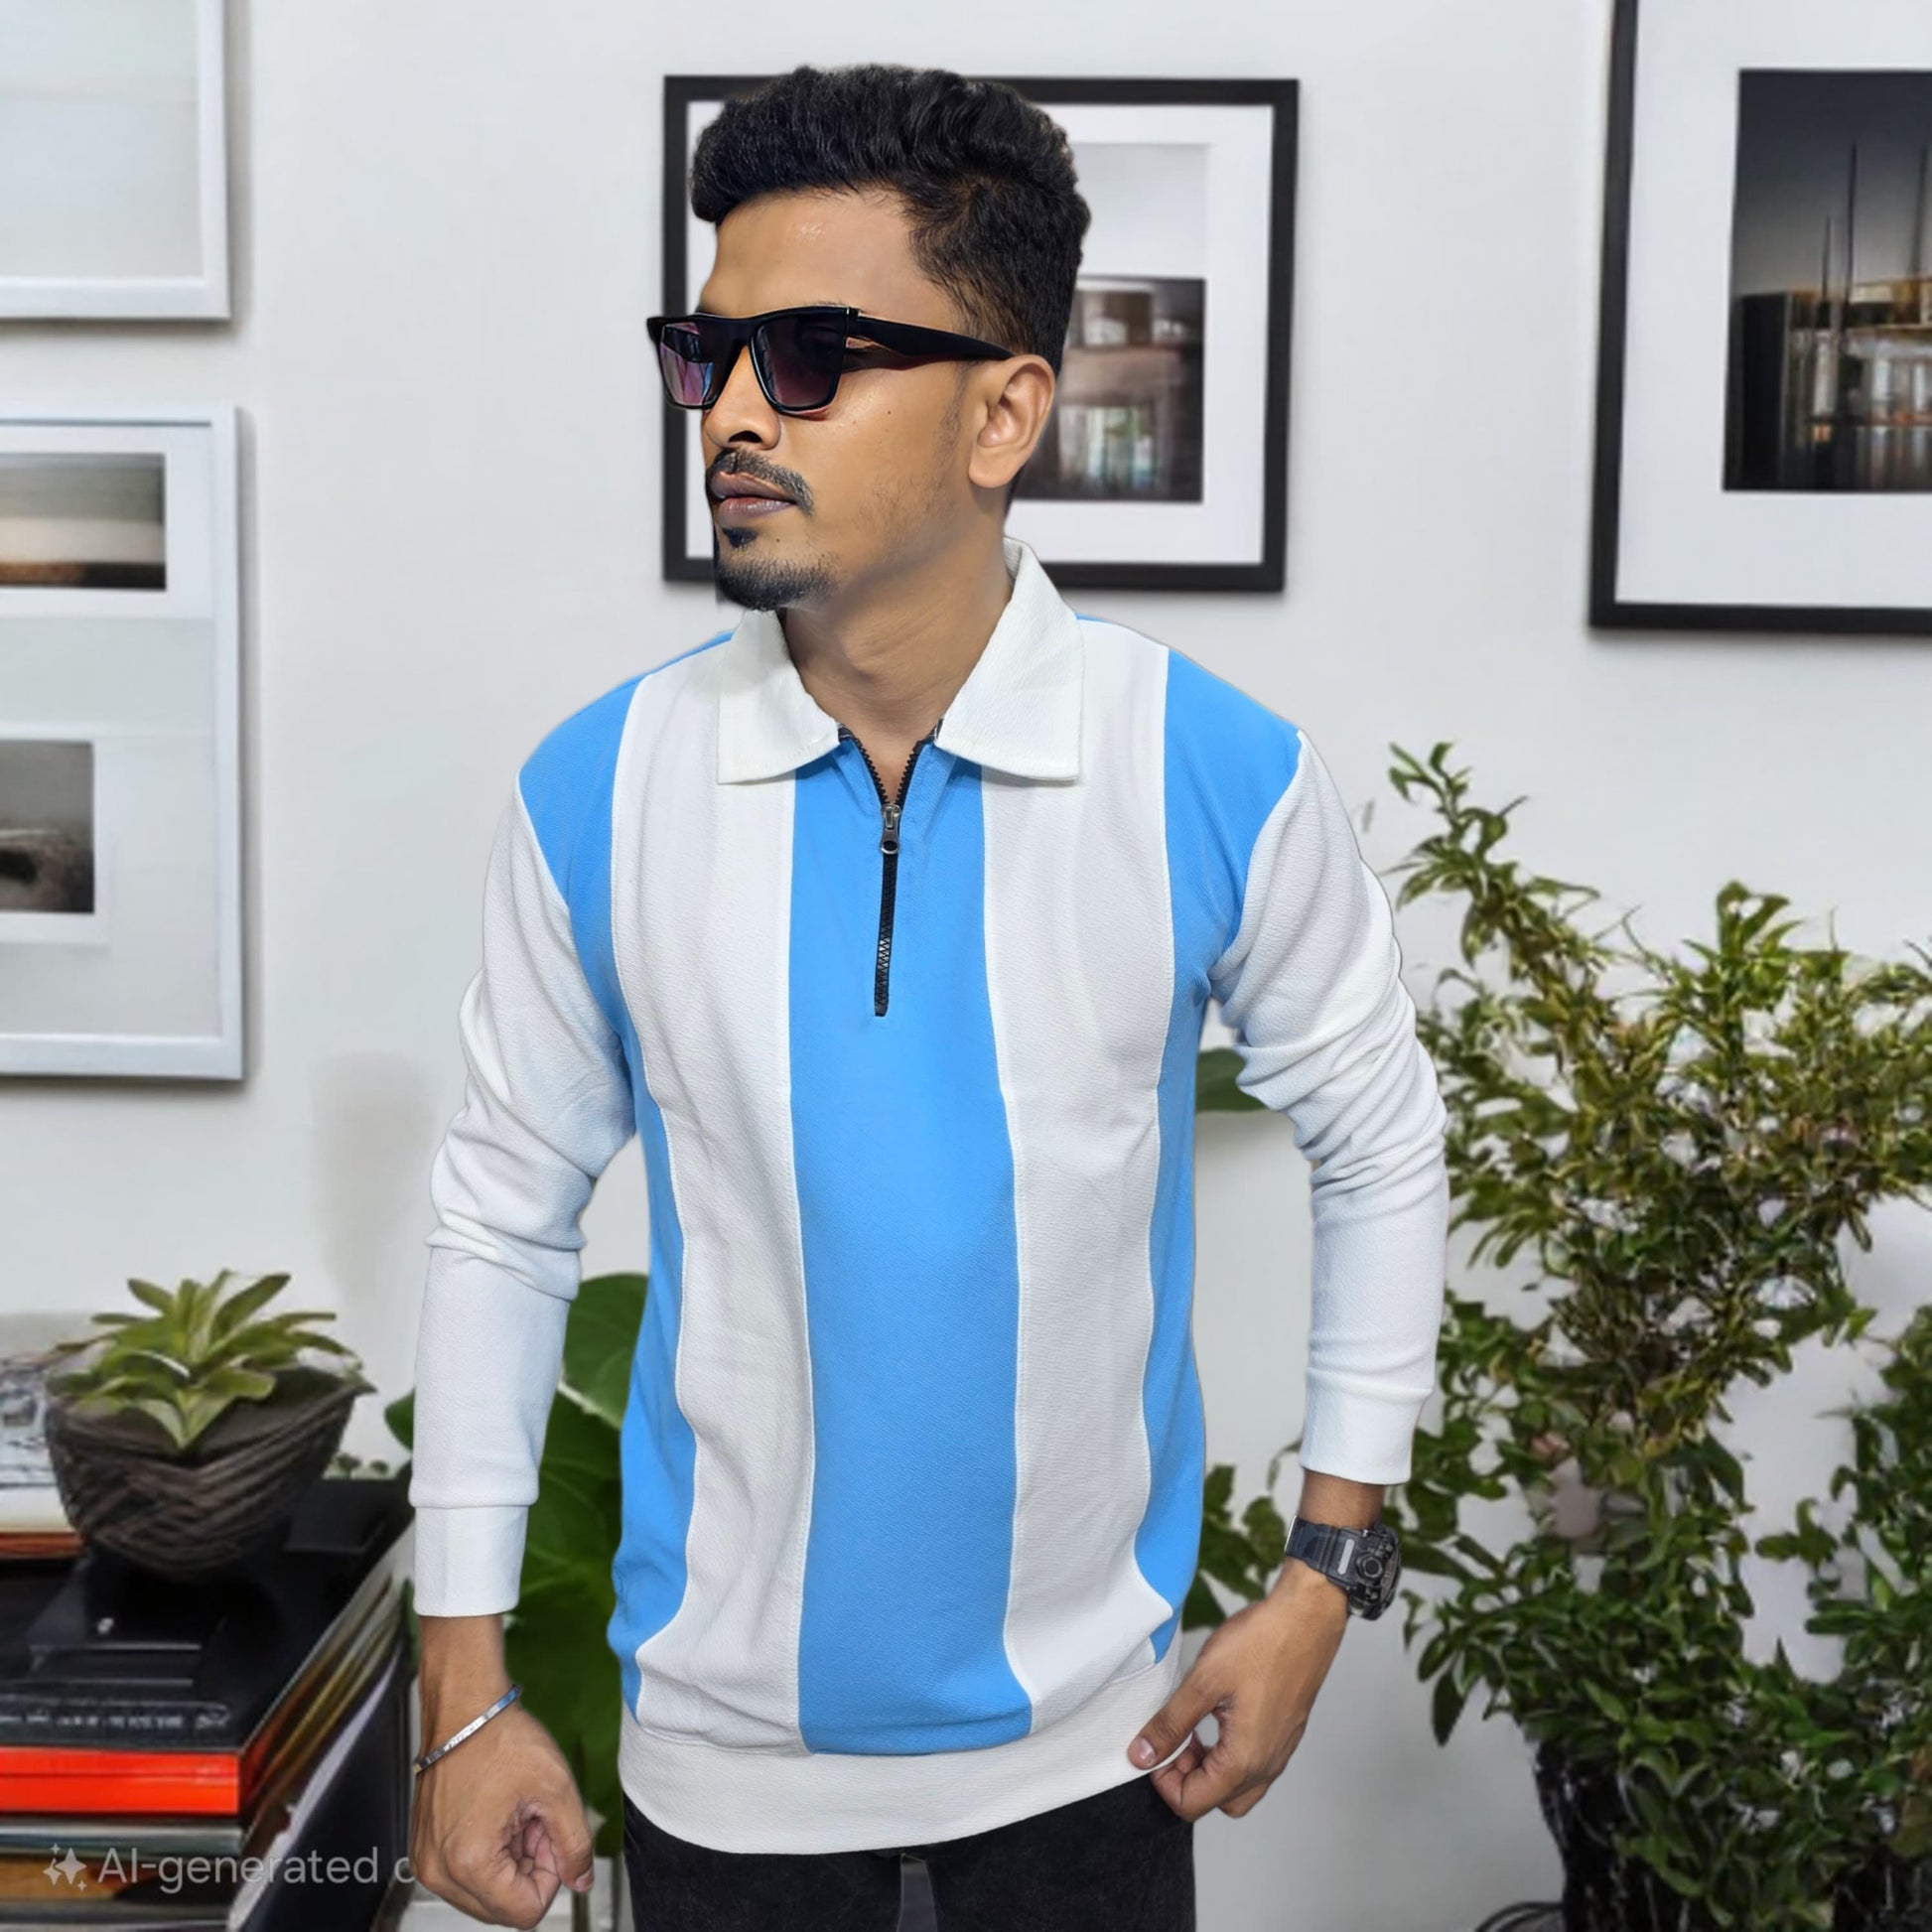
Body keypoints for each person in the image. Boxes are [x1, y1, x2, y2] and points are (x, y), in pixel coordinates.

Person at [404, 61, 1449, 1932]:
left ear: (1005, 411)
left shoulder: (1210, 769)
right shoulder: (598, 791)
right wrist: (463, 1691)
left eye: (811, 356)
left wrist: (1325, 1574)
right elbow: (499, 1217)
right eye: (710, 352)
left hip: (1094, 1765)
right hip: (716, 1782)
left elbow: (1380, 1139)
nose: (735, 410)